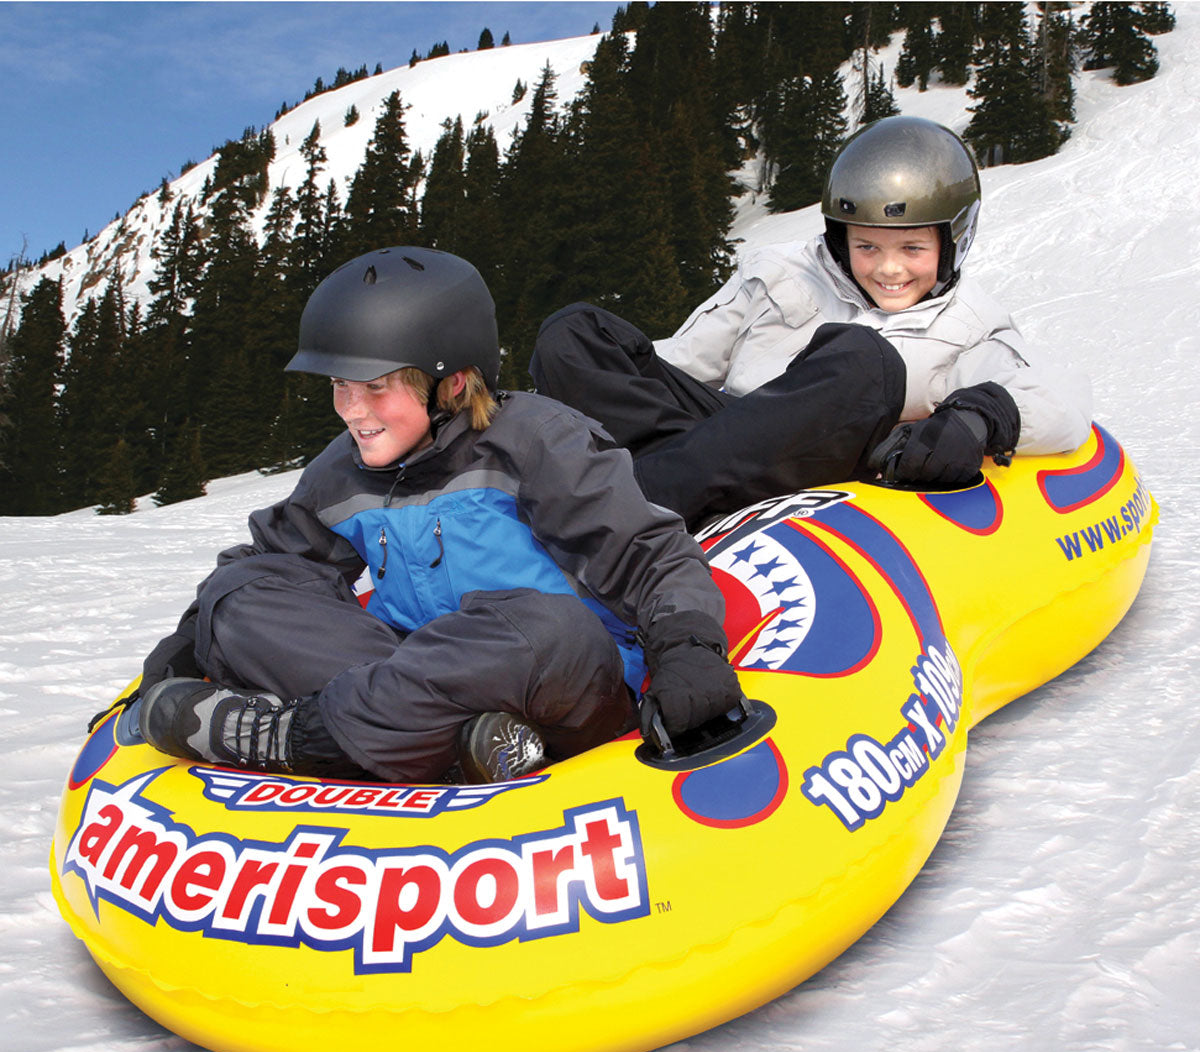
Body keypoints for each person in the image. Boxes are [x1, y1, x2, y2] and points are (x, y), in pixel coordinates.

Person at [133, 247, 743, 784]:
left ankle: (299, 738)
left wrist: (689, 650)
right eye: (340, 385)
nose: (352, 410)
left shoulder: (538, 440)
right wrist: (190, 641)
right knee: (242, 591)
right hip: (416, 678)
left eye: (376, 388)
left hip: (560, 683)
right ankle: (462, 747)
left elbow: (648, 555)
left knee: (545, 628)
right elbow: (274, 561)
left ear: (452, 383)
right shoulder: (342, 469)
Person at [530, 116, 1092, 531]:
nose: (889, 269)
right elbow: (681, 362)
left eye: (912, 249)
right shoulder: (779, 272)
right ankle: (616, 482)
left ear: (953, 240)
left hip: (819, 473)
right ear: (840, 237)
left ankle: (627, 507)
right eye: (867, 246)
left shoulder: (968, 323)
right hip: (714, 445)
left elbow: (1060, 404)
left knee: (865, 359)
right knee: (575, 331)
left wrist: (977, 417)